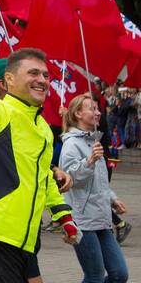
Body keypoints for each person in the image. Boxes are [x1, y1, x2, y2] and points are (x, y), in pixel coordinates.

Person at [0, 0, 79, 283]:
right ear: (8, 81)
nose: (43, 80)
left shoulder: (44, 129)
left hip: (25, 243)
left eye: (46, 75)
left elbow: (43, 177)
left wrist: (63, 216)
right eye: (33, 73)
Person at [59, 92, 129, 283]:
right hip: (82, 220)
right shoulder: (71, 144)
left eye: (97, 109)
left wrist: (113, 199)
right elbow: (70, 180)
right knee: (95, 275)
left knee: (119, 274)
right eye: (92, 108)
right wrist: (90, 161)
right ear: (78, 114)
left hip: (101, 217)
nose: (98, 112)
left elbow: (100, 181)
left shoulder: (94, 141)